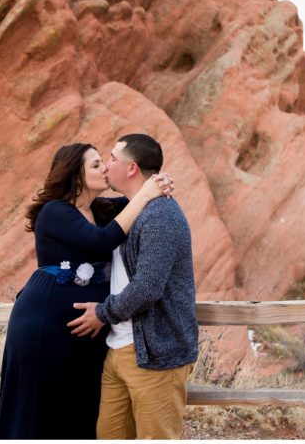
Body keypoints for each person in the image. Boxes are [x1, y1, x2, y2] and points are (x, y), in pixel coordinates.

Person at [0, 142, 174, 439]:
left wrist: (155, 184)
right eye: (95, 164)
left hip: (89, 331)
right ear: (75, 175)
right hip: (45, 327)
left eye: (105, 162)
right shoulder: (54, 212)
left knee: (83, 408)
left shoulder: (102, 210)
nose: (104, 168)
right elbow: (101, 241)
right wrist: (146, 193)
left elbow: (135, 199)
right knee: (41, 405)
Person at [67, 133, 198, 439]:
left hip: (156, 354)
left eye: (112, 158)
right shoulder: (128, 210)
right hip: (118, 349)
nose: (106, 164)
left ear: (131, 169)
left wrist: (102, 312)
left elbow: (148, 288)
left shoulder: (161, 216)